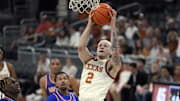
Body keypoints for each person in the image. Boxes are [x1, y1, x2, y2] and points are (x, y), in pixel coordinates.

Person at [78, 10, 121, 101]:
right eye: (100, 45)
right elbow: (81, 47)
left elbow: (115, 51)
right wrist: (90, 24)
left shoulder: (111, 65)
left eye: (106, 46)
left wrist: (112, 25)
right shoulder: (89, 60)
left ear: (110, 52)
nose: (102, 47)